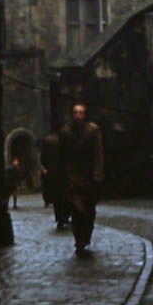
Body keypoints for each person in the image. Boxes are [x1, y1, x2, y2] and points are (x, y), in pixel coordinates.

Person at [58, 102, 104, 257]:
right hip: (72, 178)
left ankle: (85, 238)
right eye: (75, 112)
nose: (78, 115)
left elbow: (98, 154)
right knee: (77, 210)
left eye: (81, 112)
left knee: (89, 210)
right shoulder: (65, 132)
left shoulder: (93, 131)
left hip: (89, 177)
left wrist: (97, 174)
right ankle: (79, 240)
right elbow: (62, 157)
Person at [40, 132, 69, 230]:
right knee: (65, 196)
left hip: (52, 174)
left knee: (56, 198)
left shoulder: (47, 141)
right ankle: (64, 217)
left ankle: (59, 219)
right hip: (64, 173)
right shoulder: (65, 139)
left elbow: (43, 158)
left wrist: (45, 168)